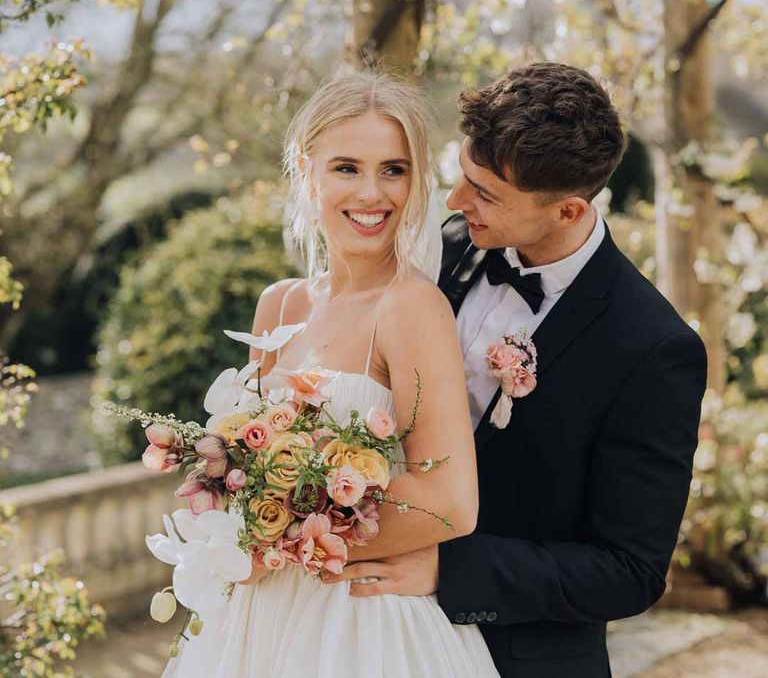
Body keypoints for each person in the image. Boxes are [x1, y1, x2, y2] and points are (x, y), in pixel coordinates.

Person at [326, 63, 708, 678]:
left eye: (485, 195)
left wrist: (452, 572)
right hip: (364, 636)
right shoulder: (441, 251)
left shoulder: (654, 349)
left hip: (521, 661)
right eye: (464, 176)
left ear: (567, 211)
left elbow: (630, 571)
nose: (455, 202)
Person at [161, 71, 500, 677]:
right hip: (258, 618)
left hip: (359, 625)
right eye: (347, 167)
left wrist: (276, 545)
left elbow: (450, 502)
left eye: (393, 170)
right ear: (305, 166)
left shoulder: (411, 307)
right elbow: (242, 470)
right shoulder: (281, 305)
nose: (373, 194)